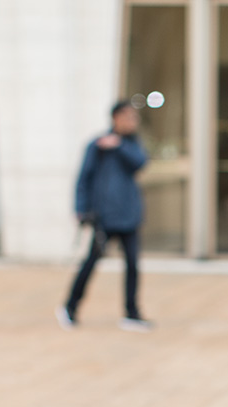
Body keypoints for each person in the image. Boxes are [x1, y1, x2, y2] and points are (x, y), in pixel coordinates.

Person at [58, 101, 151, 331]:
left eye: (134, 117)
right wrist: (81, 209)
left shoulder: (130, 144)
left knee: (132, 266)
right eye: (129, 117)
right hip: (105, 217)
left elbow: (140, 163)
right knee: (90, 263)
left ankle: (132, 313)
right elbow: (83, 178)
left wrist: (118, 145)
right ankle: (70, 307)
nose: (133, 121)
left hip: (129, 216)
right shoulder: (97, 146)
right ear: (116, 118)